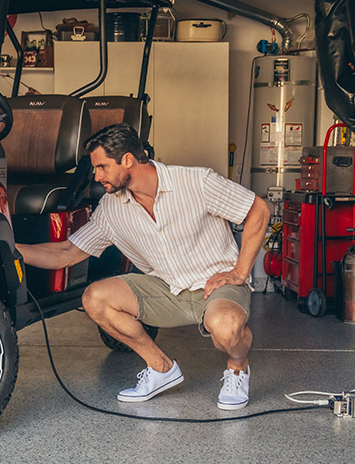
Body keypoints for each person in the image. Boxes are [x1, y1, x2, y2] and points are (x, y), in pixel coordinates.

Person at [15, 123, 270, 410]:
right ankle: (160, 367)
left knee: (225, 330)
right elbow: (66, 253)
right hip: (166, 289)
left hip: (216, 286)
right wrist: (12, 250)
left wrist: (239, 272)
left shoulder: (197, 182)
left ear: (127, 160)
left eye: (101, 167)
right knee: (95, 298)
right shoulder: (111, 208)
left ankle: (237, 369)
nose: (97, 176)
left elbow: (258, 210)